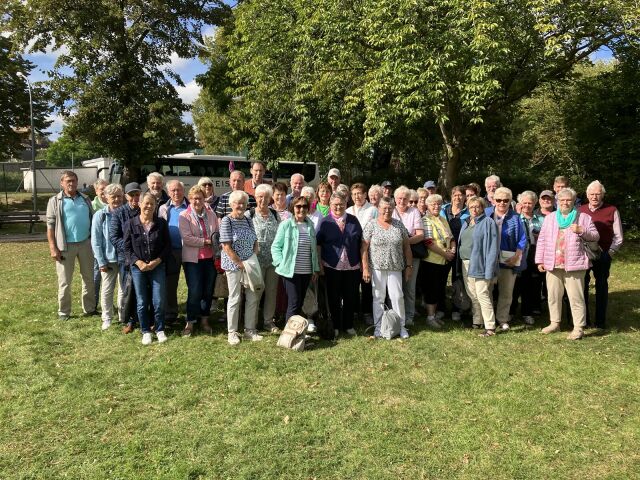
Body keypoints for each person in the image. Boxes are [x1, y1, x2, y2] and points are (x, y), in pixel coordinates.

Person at [536, 188, 599, 340]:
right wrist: (539, 260)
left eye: (568, 200)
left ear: (573, 202)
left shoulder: (583, 217)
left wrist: (581, 230)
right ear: (557, 202)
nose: (565, 202)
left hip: (574, 264)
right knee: (553, 295)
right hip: (553, 264)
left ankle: (578, 327)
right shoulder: (551, 218)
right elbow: (542, 239)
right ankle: (555, 323)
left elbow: (595, 236)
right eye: (562, 200)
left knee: (576, 297)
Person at [46, 170, 95, 320]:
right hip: (64, 246)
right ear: (62, 183)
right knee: (65, 281)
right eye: (68, 181)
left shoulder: (85, 199)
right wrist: (53, 247)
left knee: (88, 278)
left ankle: (90, 309)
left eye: (73, 180)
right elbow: (50, 227)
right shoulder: (55, 201)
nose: (71, 183)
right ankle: (64, 312)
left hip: (86, 243)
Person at [361, 197, 412, 339]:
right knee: (378, 298)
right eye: (384, 208)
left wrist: (409, 266)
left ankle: (401, 326)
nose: (387, 211)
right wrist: (365, 267)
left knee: (397, 297)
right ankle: (379, 327)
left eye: (390, 208)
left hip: (395, 267)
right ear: (378, 209)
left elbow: (407, 247)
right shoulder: (371, 225)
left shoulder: (399, 225)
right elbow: (364, 248)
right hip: (376, 268)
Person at [124, 193, 171, 345]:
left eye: (152, 204)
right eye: (146, 203)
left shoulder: (161, 223)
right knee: (142, 301)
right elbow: (127, 248)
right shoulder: (130, 224)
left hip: (157, 266)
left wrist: (157, 261)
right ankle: (145, 331)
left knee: (159, 300)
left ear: (155, 206)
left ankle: (159, 329)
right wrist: (138, 262)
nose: (149, 206)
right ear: (139, 204)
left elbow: (167, 246)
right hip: (139, 268)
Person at [219, 190, 263, 345]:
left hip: (249, 263)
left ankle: (250, 330)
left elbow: (255, 238)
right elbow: (226, 245)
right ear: (231, 204)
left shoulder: (247, 219)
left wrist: (254, 253)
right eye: (237, 203)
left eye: (243, 203)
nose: (240, 206)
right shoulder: (226, 220)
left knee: (252, 296)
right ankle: (232, 332)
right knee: (235, 298)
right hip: (234, 265)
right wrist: (239, 263)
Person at [579, 180, 623, 330]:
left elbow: (618, 236)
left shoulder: (611, 210)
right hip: (584, 255)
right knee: (582, 286)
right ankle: (584, 320)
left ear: (603, 194)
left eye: (598, 194)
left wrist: (610, 253)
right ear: (587, 195)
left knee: (601, 286)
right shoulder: (580, 210)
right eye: (592, 194)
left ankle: (600, 321)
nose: (594, 197)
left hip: (603, 254)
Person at [317, 193, 363, 336]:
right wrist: (319, 263)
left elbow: (361, 242)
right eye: (335, 204)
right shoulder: (325, 222)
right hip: (332, 266)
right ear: (330, 206)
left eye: (341, 204)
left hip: (352, 266)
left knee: (350, 296)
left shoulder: (353, 220)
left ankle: (348, 325)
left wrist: (363, 263)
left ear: (345, 204)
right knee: (333, 297)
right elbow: (318, 243)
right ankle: (335, 325)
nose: (338, 207)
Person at [271, 196, 321, 321]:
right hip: (290, 271)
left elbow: (313, 250)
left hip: (306, 271)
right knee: (294, 302)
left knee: (299, 303)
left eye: (304, 206)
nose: (301, 209)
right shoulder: (286, 225)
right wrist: (280, 263)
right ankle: (289, 336)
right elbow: (276, 247)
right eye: (298, 206)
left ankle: (297, 333)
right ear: (293, 208)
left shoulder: (310, 225)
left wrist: (315, 269)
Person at [178, 185, 219, 337]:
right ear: (190, 199)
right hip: (192, 260)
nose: (197, 201)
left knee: (207, 291)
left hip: (210, 259)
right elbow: (187, 238)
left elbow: (217, 232)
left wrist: (213, 242)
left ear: (204, 199)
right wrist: (206, 242)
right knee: (194, 291)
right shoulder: (184, 215)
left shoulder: (211, 214)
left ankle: (205, 320)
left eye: (200, 198)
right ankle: (190, 322)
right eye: (194, 198)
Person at [458, 197, 500, 336]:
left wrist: (490, 270)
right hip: (465, 263)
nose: (474, 210)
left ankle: (490, 327)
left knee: (482, 294)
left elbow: (493, 248)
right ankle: (477, 321)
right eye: (471, 207)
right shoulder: (467, 222)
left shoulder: (488, 222)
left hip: (480, 264)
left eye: (477, 207)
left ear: (483, 208)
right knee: (472, 294)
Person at [246, 184, 281, 334]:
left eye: (266, 197)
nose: (263, 199)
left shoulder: (275, 214)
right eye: (260, 196)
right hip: (255, 261)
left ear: (270, 198)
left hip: (273, 261)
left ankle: (268, 321)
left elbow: (280, 235)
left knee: (271, 292)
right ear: (255, 197)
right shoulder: (249, 215)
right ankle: (251, 324)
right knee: (255, 292)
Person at [490, 187, 527, 332]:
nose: (502, 203)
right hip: (490, 261)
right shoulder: (487, 214)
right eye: (499, 200)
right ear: (494, 201)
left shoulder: (516, 218)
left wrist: (517, 255)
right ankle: (487, 319)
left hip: (508, 261)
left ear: (510, 201)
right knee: (487, 290)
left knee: (506, 292)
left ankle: (503, 319)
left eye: (506, 200)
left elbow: (522, 239)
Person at [91, 183, 123, 330]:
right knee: (107, 289)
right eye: (113, 197)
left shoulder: (126, 213)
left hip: (124, 259)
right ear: (106, 198)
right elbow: (96, 241)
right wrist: (101, 261)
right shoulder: (100, 215)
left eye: (118, 196)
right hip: (108, 259)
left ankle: (123, 316)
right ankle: (107, 317)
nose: (116, 200)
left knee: (124, 289)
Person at [110, 182, 141, 332]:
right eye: (132, 195)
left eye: (137, 194)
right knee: (128, 290)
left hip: (143, 258)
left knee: (142, 290)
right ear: (126, 196)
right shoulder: (119, 213)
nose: (135, 198)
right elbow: (114, 237)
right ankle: (129, 321)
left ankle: (143, 319)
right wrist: (131, 248)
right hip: (126, 258)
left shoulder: (144, 210)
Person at [510, 191, 544, 325]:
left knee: (531, 285)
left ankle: (527, 312)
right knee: (515, 284)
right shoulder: (515, 219)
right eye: (524, 203)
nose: (527, 206)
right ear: (520, 204)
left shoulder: (542, 220)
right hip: (519, 254)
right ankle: (511, 311)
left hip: (535, 254)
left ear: (535, 203)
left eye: (530, 203)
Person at [421, 194, 455, 328]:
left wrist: (452, 249)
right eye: (433, 204)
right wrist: (445, 254)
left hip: (444, 261)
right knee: (431, 289)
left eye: (439, 204)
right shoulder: (426, 220)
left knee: (439, 289)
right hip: (432, 261)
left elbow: (451, 237)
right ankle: (429, 317)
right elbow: (428, 242)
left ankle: (434, 315)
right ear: (427, 206)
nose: (436, 206)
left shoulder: (443, 219)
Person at [392, 185, 424, 326]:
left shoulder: (414, 212)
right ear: (395, 199)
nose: (402, 201)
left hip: (411, 254)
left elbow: (421, 235)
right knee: (394, 286)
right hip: (393, 255)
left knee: (410, 286)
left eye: (405, 198)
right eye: (399, 198)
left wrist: (404, 242)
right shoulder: (390, 211)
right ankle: (394, 315)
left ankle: (409, 316)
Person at [158, 179, 189, 322]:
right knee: (171, 284)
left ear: (183, 191)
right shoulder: (163, 208)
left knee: (193, 283)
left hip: (190, 250)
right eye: (173, 190)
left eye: (179, 190)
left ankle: (193, 313)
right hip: (171, 251)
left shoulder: (190, 206)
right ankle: (170, 313)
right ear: (169, 192)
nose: (176, 193)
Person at [347, 183, 377, 325]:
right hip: (351, 253)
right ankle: (352, 311)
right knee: (352, 284)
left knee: (367, 283)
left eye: (359, 193)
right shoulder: (348, 210)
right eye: (354, 194)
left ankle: (366, 312)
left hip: (369, 252)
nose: (357, 196)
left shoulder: (373, 210)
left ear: (365, 194)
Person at [440, 186, 469, 320]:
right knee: (441, 279)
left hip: (461, 251)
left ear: (464, 197)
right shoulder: (444, 210)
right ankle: (440, 308)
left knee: (458, 280)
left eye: (460, 195)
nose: (458, 198)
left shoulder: (469, 211)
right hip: (445, 251)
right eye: (455, 195)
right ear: (451, 196)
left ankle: (457, 308)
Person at [91, 178, 108, 312]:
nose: (104, 192)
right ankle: (93, 304)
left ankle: (108, 304)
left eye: (106, 188)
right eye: (101, 189)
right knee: (96, 275)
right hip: (97, 246)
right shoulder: (91, 206)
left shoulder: (115, 203)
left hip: (110, 247)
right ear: (96, 191)